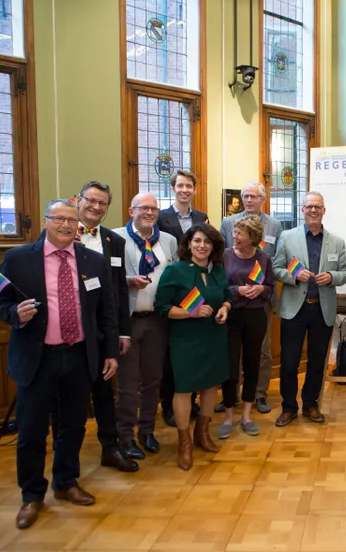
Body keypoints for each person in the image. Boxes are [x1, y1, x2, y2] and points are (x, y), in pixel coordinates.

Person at [0, 199, 119, 529]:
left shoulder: (94, 260)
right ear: (45, 221)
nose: (66, 225)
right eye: (58, 218)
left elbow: (106, 312)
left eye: (72, 220)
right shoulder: (18, 259)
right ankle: (31, 495)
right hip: (38, 358)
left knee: (74, 426)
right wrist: (13, 314)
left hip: (79, 356)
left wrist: (109, 352)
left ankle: (66, 483)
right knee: (32, 431)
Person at [48, 182, 136, 473]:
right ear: (79, 200)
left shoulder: (114, 242)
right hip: (68, 335)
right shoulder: (56, 236)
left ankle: (110, 448)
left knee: (104, 394)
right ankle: (63, 458)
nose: (96, 207)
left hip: (102, 332)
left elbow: (119, 292)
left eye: (103, 203)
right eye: (91, 201)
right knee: (63, 401)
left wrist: (122, 331)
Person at [154, 223, 231, 471]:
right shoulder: (175, 271)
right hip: (186, 338)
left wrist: (224, 308)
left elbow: (227, 296)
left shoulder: (218, 271)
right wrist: (190, 312)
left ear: (213, 247)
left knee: (211, 385)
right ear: (188, 244)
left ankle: (203, 434)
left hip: (214, 335)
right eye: (197, 241)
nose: (202, 246)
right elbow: (161, 307)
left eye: (207, 242)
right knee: (184, 388)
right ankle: (184, 442)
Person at [272, 192, 346, 426]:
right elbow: (276, 269)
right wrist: (294, 275)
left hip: (322, 310)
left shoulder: (336, 241)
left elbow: (345, 272)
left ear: (324, 210)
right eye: (309, 207)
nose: (313, 211)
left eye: (318, 207)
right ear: (302, 209)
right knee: (289, 362)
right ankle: (288, 407)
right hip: (294, 310)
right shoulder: (287, 237)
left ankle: (310, 405)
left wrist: (332, 276)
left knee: (317, 362)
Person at [113, 193, 179, 460]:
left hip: (157, 321)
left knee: (153, 380)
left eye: (154, 208)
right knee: (127, 384)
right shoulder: (116, 238)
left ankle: (147, 431)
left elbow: (174, 275)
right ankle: (125, 437)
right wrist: (128, 280)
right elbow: (108, 276)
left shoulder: (168, 240)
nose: (149, 212)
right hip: (128, 321)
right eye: (144, 208)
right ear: (131, 211)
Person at [218, 180, 283, 414]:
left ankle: (259, 394)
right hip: (232, 302)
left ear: (263, 199)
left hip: (260, 300)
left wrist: (262, 287)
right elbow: (222, 258)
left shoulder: (275, 225)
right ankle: (231, 395)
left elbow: (277, 258)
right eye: (245, 196)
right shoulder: (228, 223)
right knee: (230, 351)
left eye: (254, 196)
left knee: (262, 350)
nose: (249, 200)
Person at [157, 169, 209, 425]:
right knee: (172, 352)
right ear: (173, 188)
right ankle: (168, 404)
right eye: (180, 186)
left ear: (194, 189)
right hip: (174, 284)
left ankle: (194, 401)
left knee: (195, 349)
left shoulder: (202, 217)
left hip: (196, 286)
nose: (185, 190)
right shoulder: (161, 217)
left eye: (189, 185)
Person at [219, 215, 274, 438]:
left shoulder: (264, 258)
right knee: (230, 368)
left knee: (252, 365)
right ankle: (228, 416)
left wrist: (261, 290)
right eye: (234, 232)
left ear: (252, 237)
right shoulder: (224, 256)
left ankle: (247, 416)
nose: (234, 236)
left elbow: (270, 287)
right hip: (231, 315)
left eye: (239, 233)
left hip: (255, 317)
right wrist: (237, 291)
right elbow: (219, 286)